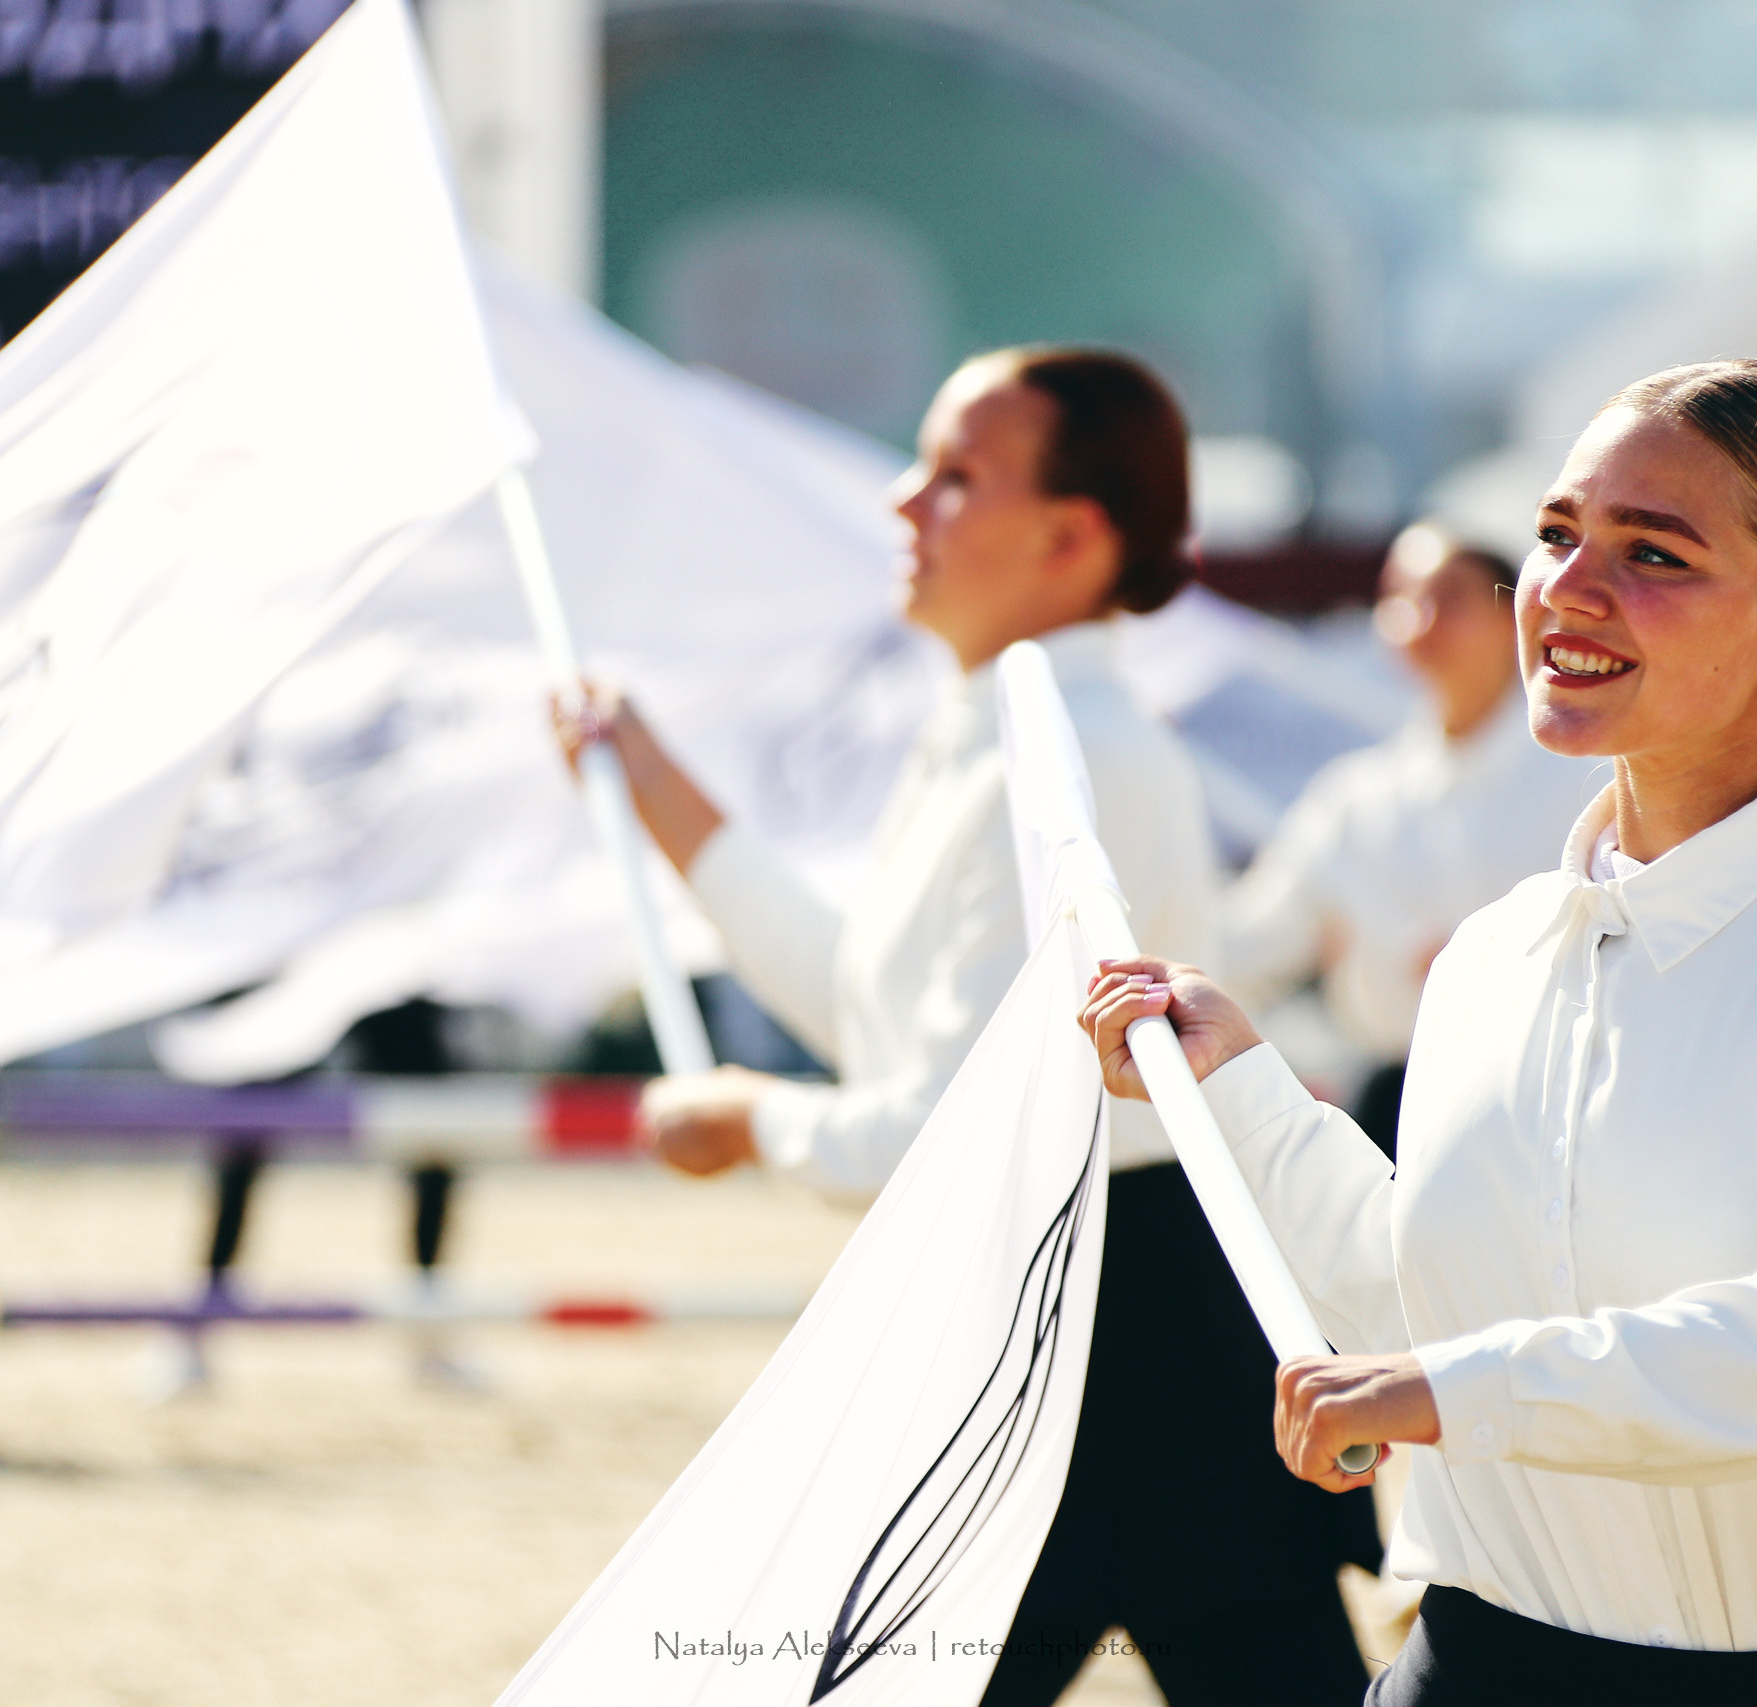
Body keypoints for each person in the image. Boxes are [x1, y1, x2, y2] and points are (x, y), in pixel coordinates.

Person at [1084, 359, 1757, 1705]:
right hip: (1460, 1665)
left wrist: (1458, 1388)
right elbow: (1425, 1290)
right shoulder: (1491, 952)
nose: (1565, 588)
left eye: (1652, 552)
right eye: (1555, 533)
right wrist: (1233, 1082)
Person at [560, 347, 1376, 1701]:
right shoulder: (1012, 736)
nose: (903, 501)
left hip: (1118, 1323)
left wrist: (755, 1119)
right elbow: (880, 1012)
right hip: (1075, 1311)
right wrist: (657, 790)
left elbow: (953, 1120)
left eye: (955, 473)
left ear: (1075, 534)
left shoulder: (1080, 755)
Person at [1217, 519, 1598, 1158]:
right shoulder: (1356, 800)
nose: (1420, 621)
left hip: (1557, 1096)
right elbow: (1251, 945)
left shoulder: (1592, 779)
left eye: (1449, 598)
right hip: (1395, 1101)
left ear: (1515, 614)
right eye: (1399, 598)